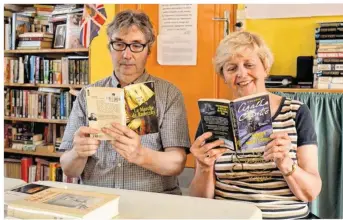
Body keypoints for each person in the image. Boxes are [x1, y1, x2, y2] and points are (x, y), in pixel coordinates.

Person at [189, 31, 322, 219]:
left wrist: (286, 164)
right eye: (231, 68)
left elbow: (311, 192)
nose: (242, 74)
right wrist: (203, 167)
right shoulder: (214, 117)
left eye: (249, 65)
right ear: (224, 76)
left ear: (265, 67)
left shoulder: (296, 112)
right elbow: (199, 201)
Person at [60, 10, 191, 195]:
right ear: (109, 47)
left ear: (148, 50)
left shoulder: (169, 94)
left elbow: (177, 162)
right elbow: (68, 168)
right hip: (98, 198)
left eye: (136, 45)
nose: (127, 55)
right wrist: (78, 153)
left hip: (151, 200)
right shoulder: (87, 94)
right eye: (119, 44)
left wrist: (140, 155)